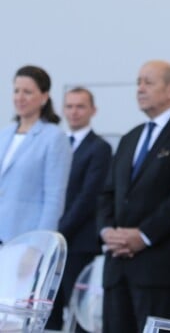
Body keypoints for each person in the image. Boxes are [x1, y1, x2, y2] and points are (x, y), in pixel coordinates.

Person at [97, 60, 170, 333]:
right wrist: (106, 231)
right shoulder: (130, 138)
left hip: (162, 270)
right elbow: (107, 193)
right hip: (118, 268)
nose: (139, 89)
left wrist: (143, 235)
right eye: (138, 82)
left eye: (148, 82)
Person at [46, 87, 113, 331]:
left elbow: (88, 197)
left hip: (78, 244)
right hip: (51, 244)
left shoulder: (99, 148)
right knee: (47, 307)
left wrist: (57, 232)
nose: (74, 112)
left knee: (78, 312)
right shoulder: (54, 143)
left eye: (80, 106)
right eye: (70, 106)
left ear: (93, 110)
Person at [0, 65, 71, 243]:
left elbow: (54, 199)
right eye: (16, 91)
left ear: (44, 97)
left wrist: (39, 246)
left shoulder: (54, 137)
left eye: (28, 92)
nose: (20, 98)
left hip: (23, 238)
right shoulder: (5, 134)